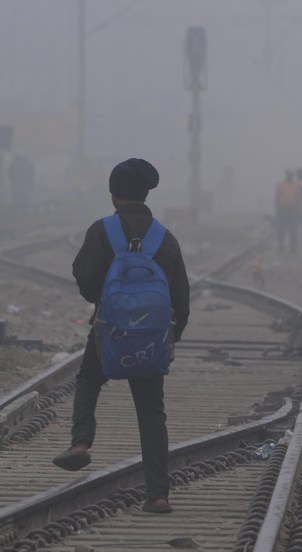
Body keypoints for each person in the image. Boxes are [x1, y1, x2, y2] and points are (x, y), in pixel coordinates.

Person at [53, 158, 190, 514]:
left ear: (114, 195)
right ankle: (158, 495)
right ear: (145, 195)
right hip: (150, 341)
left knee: (87, 379)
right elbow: (181, 296)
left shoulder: (102, 230)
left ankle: (81, 443)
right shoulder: (165, 237)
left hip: (108, 335)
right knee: (151, 412)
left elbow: (84, 280)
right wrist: (169, 340)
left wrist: (106, 301)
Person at [275, 169, 300, 255]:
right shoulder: (281, 184)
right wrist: (278, 209)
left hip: (293, 210)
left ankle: (293, 248)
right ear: (286, 175)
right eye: (289, 175)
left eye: (291, 175)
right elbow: (277, 197)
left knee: (293, 231)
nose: (290, 176)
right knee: (281, 230)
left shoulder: (296, 185)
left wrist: (298, 209)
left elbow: (298, 197)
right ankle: (281, 247)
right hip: (283, 210)